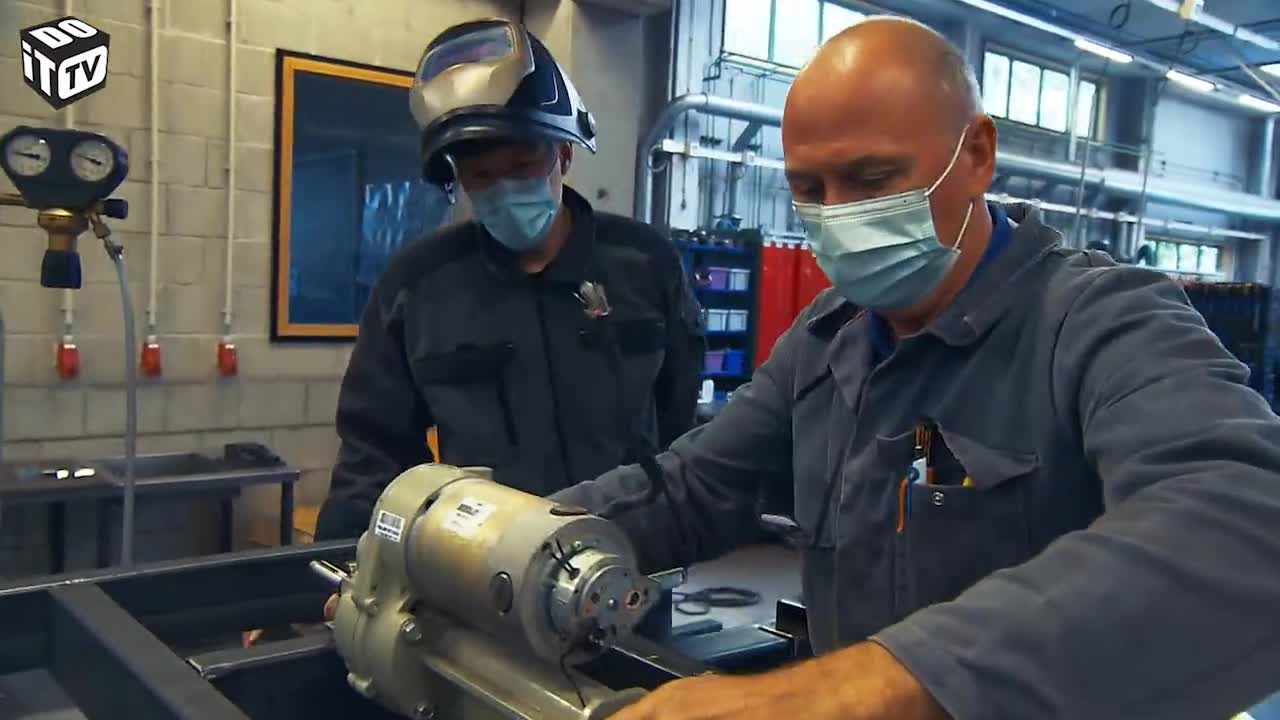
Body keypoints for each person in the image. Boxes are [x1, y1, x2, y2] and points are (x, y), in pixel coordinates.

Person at [551, 17, 1280, 720]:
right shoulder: (828, 339)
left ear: (978, 154)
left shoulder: (1100, 324)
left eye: (872, 178)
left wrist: (871, 685)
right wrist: (526, 534)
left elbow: (1248, 523)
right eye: (810, 191)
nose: (838, 216)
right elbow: (697, 486)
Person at [313, 20, 705, 540]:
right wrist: (348, 557)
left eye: (522, 165)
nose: (504, 188)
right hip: (485, 562)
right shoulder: (419, 286)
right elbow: (373, 455)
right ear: (458, 179)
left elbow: (679, 421)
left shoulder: (645, 263)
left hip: (629, 554)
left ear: (563, 154)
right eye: (482, 177)